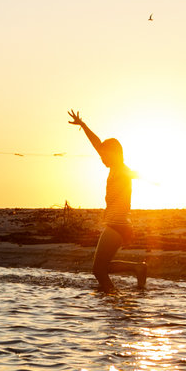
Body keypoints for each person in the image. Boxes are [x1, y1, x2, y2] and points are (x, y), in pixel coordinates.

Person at [68, 109, 145, 291]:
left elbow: (136, 174)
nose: (102, 158)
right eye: (102, 156)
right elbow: (97, 144)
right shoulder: (114, 168)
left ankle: (113, 298)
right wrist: (84, 126)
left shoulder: (120, 169)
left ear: (115, 154)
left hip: (117, 225)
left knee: (98, 270)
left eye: (105, 156)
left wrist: (155, 179)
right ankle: (137, 268)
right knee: (102, 267)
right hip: (118, 224)